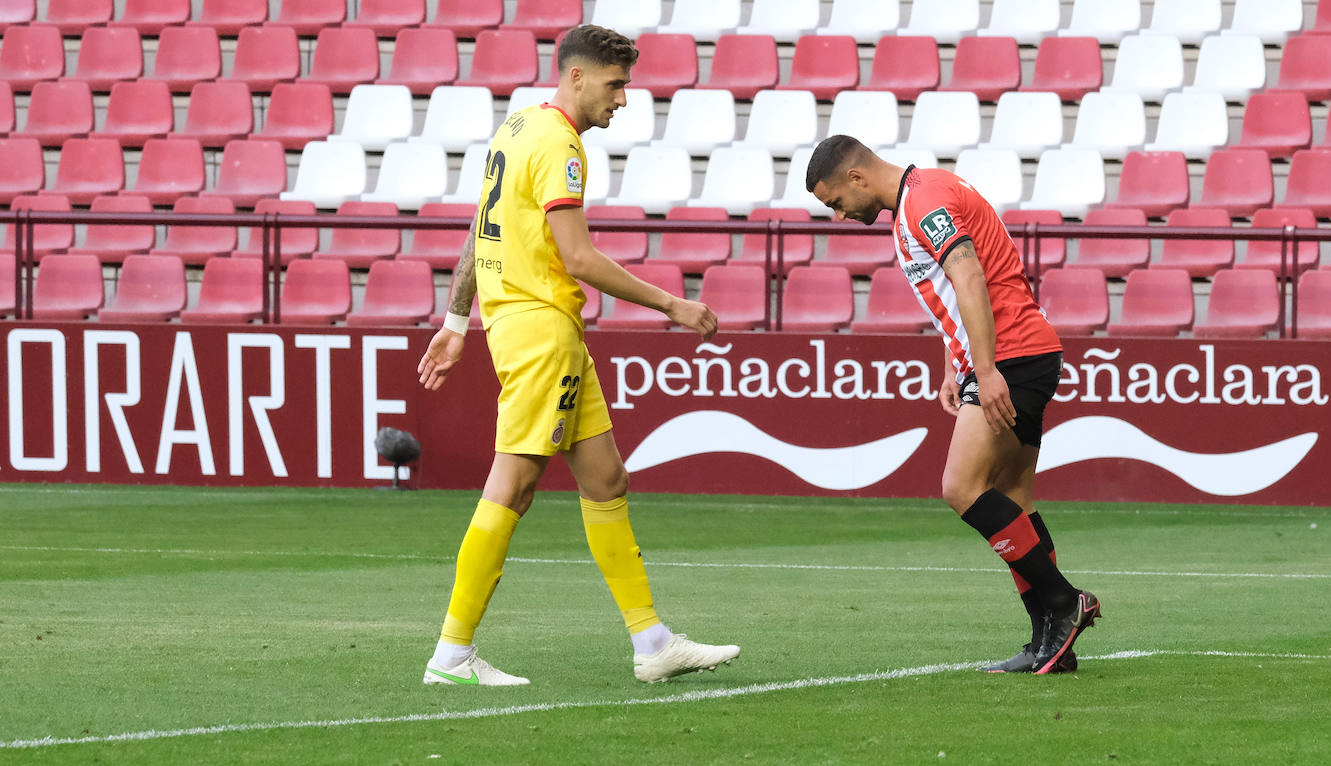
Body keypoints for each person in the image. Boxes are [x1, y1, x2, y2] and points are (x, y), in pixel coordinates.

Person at [415, 24, 740, 686]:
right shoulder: (561, 145)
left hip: (531, 325)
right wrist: (671, 305)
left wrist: (455, 320)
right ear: (578, 78)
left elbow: (482, 231)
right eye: (616, 85)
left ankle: (652, 644)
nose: (622, 100)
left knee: (605, 480)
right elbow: (580, 257)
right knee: (514, 485)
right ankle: (452, 653)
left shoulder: (514, 131)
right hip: (541, 332)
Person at [805, 135, 1100, 675]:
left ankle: (1064, 602)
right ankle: (1048, 642)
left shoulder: (924, 200)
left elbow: (969, 275)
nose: (840, 217)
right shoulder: (916, 200)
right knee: (1013, 495)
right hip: (1015, 353)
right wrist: (956, 361)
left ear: (856, 178)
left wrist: (984, 371)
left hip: (1011, 355)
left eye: (836, 203)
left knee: (961, 488)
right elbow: (953, 283)